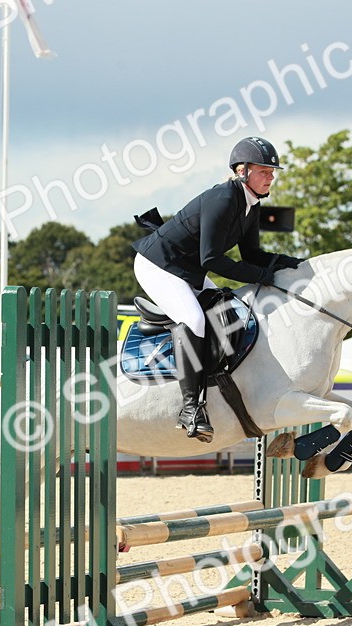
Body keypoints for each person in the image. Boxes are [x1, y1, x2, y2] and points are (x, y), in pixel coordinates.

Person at [130, 135, 305, 441]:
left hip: (188, 270)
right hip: (158, 265)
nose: (270, 177)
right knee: (194, 320)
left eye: (272, 172)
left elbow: (252, 256)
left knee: (228, 312)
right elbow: (210, 258)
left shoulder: (251, 205)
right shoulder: (223, 199)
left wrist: (296, 266)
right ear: (242, 171)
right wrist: (260, 275)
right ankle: (190, 410)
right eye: (264, 171)